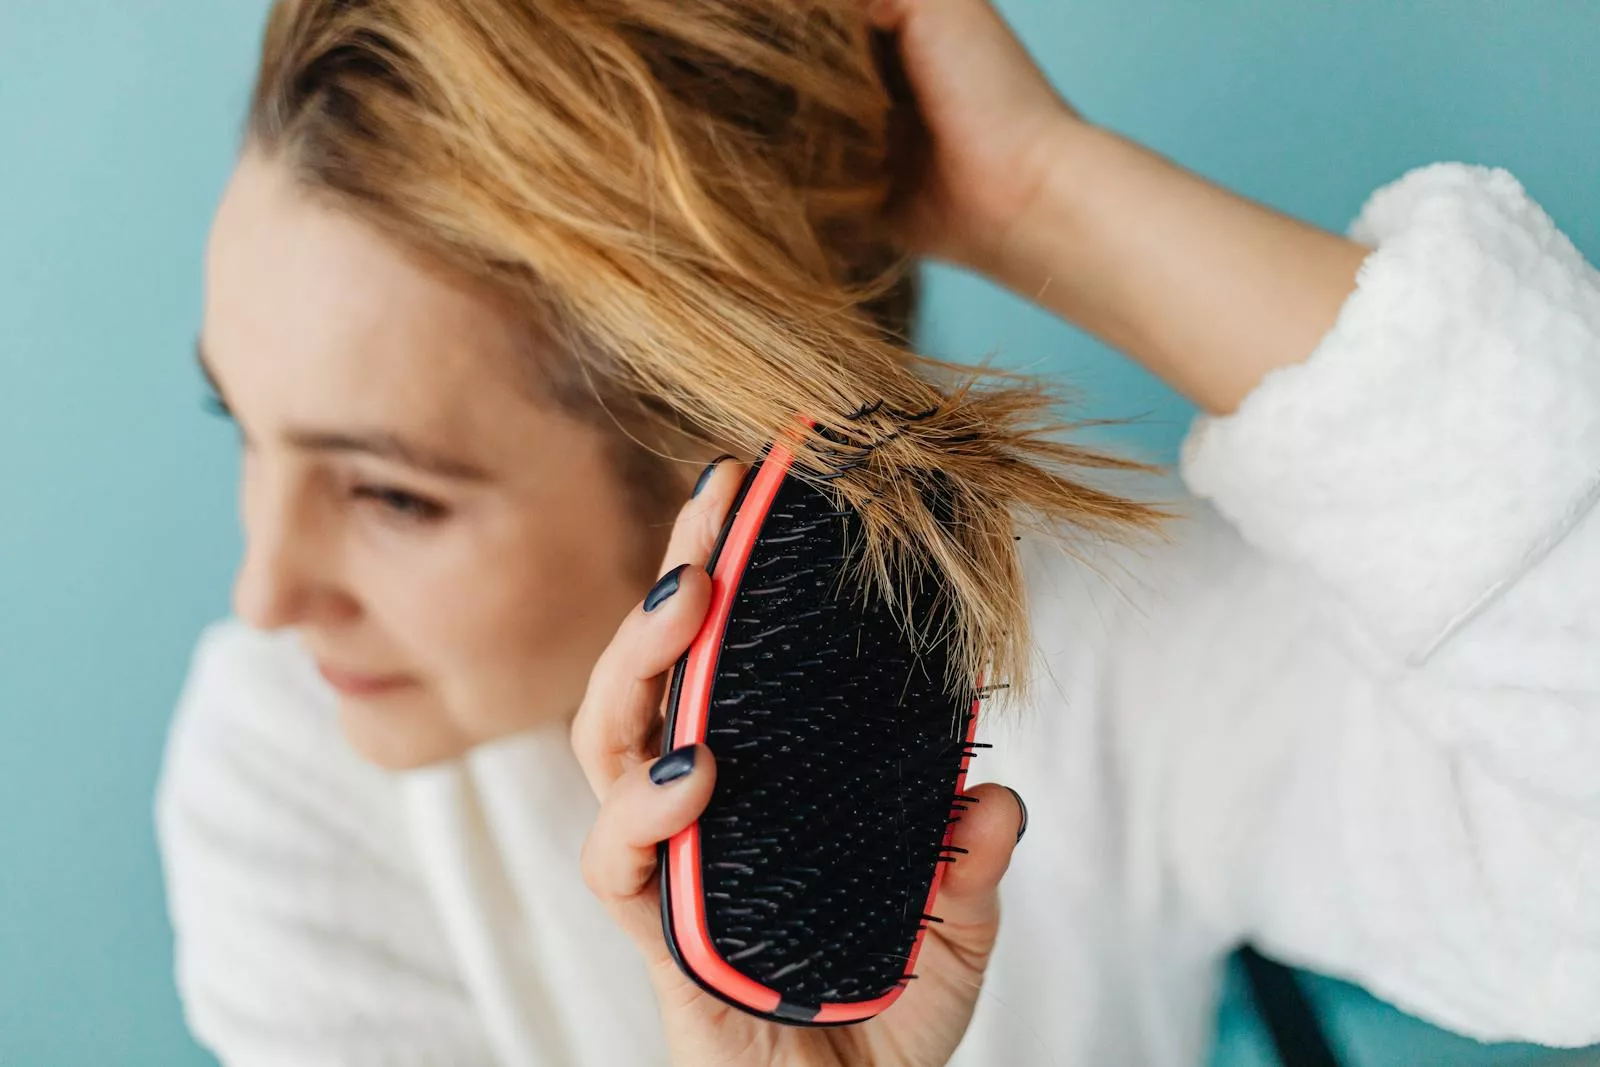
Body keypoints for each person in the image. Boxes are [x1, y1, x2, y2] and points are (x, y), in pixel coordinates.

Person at [154, 0, 1600, 1064]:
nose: (264, 591)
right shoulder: (289, 769)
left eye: (390, 493)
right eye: (246, 431)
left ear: (718, 464)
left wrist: (1047, 200)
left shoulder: (1117, 651)